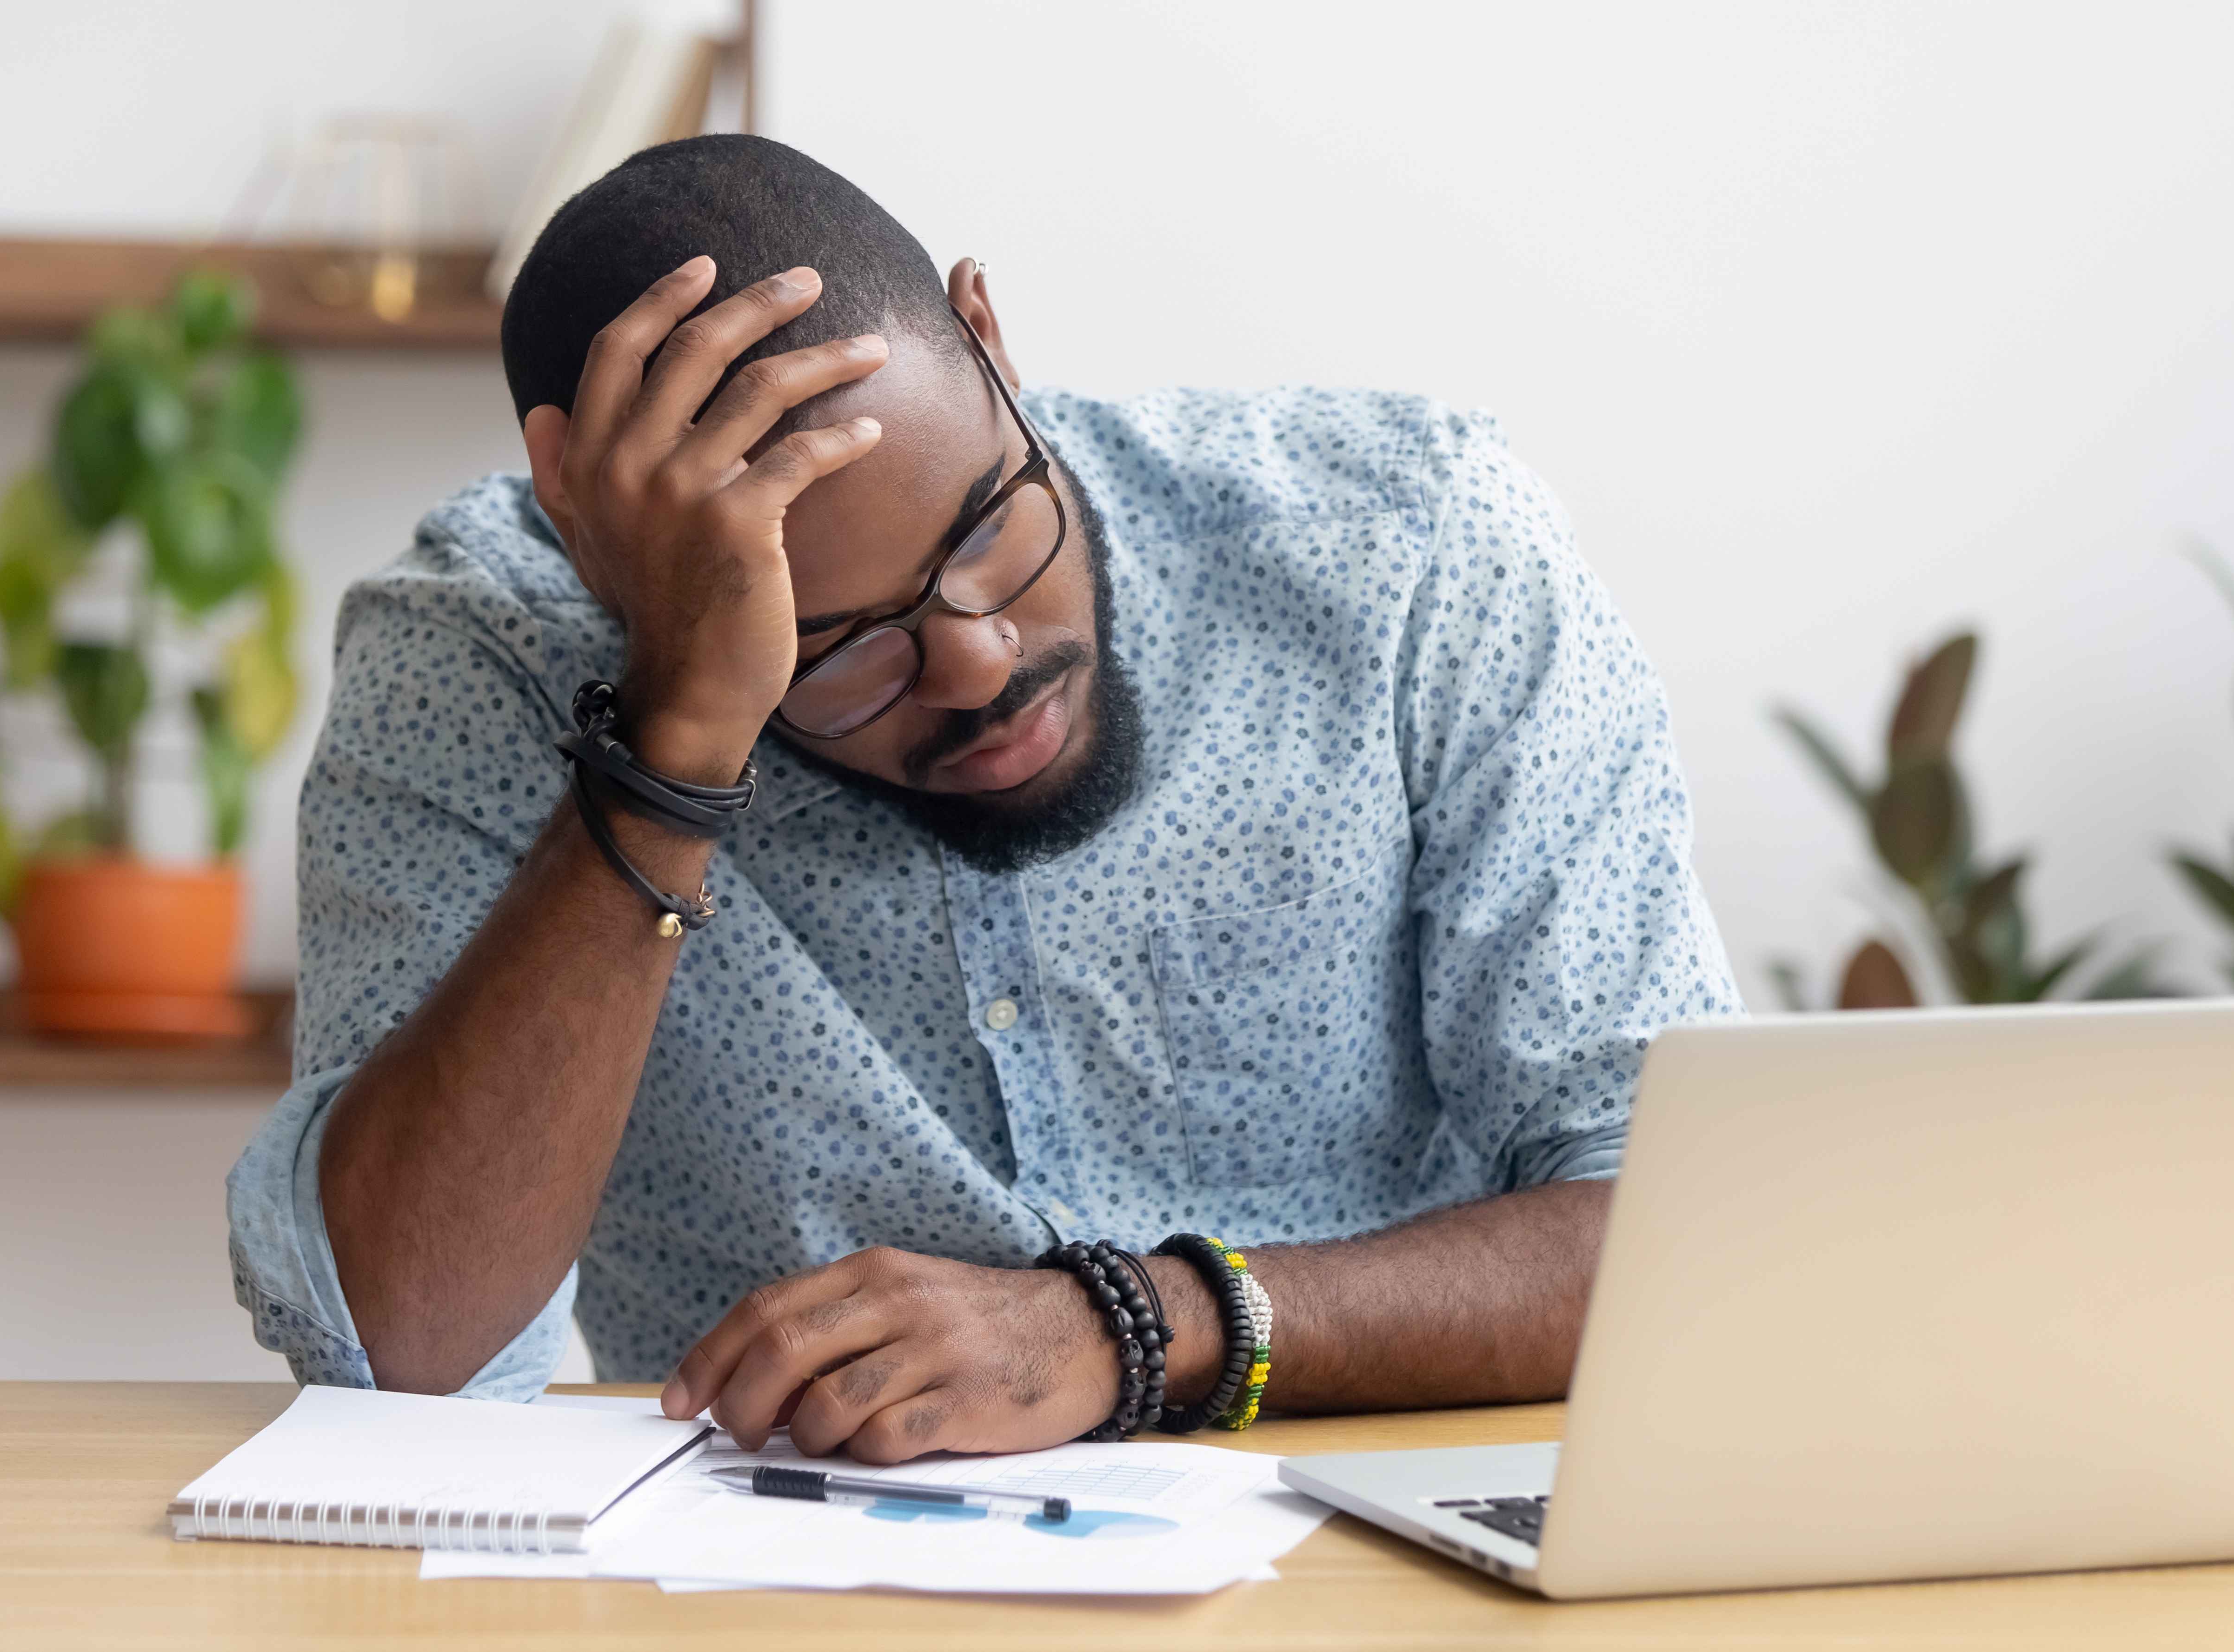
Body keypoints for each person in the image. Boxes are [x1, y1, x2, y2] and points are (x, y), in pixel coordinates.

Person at [226, 134, 1740, 1463]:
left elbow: (1690, 1230)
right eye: (832, 648)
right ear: (590, 546)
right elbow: (401, 1349)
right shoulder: (480, 653)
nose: (977, 661)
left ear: (990, 337)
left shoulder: (1411, 551)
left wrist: (1129, 1329)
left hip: (1382, 1561)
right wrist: (679, 730)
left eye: (989, 527)